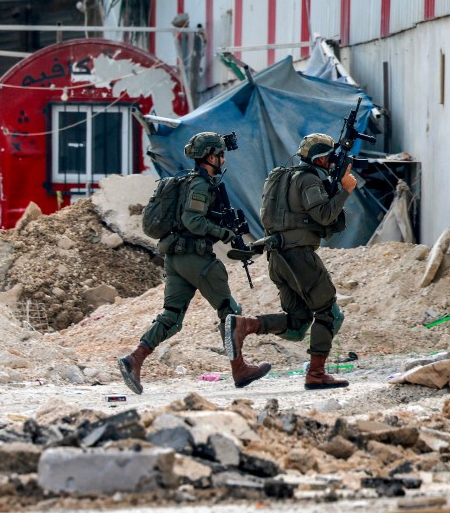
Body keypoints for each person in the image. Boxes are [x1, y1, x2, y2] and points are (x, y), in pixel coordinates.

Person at [118, 132, 269, 394]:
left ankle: (134, 359)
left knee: (172, 317)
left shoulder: (187, 182)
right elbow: (192, 221)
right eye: (220, 154)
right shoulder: (200, 185)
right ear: (210, 156)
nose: (223, 159)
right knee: (230, 312)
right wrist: (225, 233)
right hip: (196, 258)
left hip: (175, 259)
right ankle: (240, 369)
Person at [224, 133, 356, 390]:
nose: (331, 162)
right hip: (299, 256)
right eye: (329, 158)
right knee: (328, 312)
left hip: (277, 257)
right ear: (319, 158)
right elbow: (325, 215)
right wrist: (345, 190)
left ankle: (245, 325)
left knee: (297, 322)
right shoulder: (307, 180)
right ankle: (316, 374)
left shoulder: (283, 177)